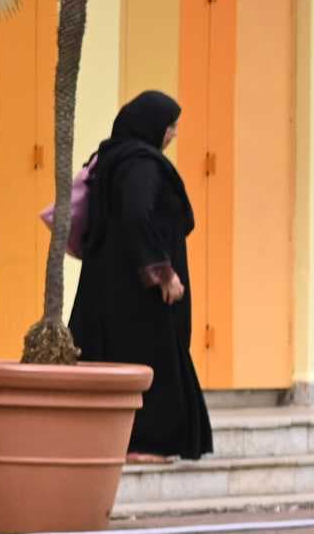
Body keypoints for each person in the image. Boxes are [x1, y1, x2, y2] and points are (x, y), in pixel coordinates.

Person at [68, 91, 214, 463]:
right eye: (170, 126)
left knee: (121, 358)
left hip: (114, 286)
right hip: (137, 296)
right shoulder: (141, 164)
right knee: (148, 360)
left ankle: (123, 441)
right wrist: (162, 273)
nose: (174, 134)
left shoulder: (113, 159)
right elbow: (136, 215)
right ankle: (144, 444)